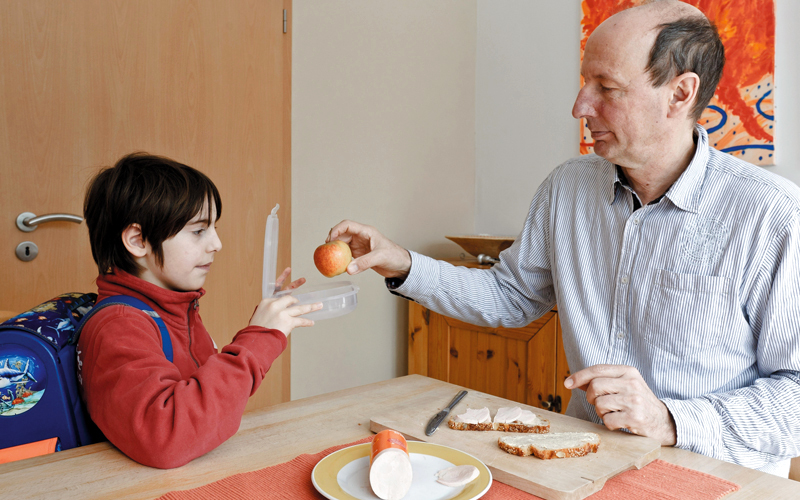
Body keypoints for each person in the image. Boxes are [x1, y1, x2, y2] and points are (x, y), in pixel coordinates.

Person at [327, 0, 800, 476]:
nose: (580, 107)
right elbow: (511, 297)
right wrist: (404, 264)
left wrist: (669, 420)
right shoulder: (567, 187)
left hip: (717, 478)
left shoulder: (774, 214)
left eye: (607, 88)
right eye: (584, 83)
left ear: (680, 94)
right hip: (584, 466)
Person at [78, 152, 320, 468]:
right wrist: (258, 341)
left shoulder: (173, 307)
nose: (216, 243)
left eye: (214, 228)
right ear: (138, 241)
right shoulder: (120, 326)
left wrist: (261, 329)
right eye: (198, 231)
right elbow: (166, 439)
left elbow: (209, 403)